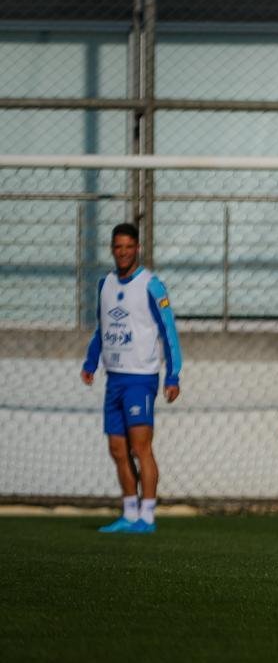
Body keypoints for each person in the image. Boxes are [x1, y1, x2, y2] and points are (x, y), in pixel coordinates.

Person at [81, 223, 183, 534]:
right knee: (117, 449)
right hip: (114, 378)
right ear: (112, 249)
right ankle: (129, 512)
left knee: (141, 448)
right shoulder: (105, 284)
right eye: (118, 247)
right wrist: (91, 361)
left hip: (141, 378)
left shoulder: (152, 285)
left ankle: (147, 516)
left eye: (129, 247)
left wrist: (173, 375)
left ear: (137, 248)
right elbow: (102, 328)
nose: (123, 252)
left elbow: (169, 331)